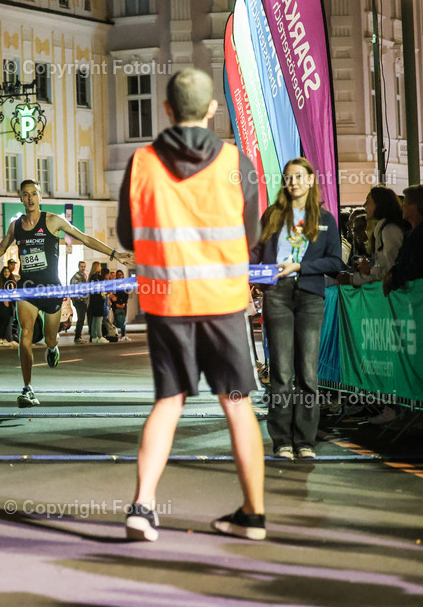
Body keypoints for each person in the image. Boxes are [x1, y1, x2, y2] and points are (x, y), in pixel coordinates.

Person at [116, 68, 264, 541]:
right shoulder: (237, 163)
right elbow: (254, 235)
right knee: (238, 404)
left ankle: (142, 507)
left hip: (167, 300)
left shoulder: (141, 162)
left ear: (166, 109)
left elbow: (125, 233)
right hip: (222, 301)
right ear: (212, 110)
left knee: (168, 401)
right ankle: (253, 515)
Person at [0, 179, 133, 407]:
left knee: (50, 337)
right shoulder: (16, 226)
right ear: (20, 199)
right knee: (26, 334)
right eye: (25, 194)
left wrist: (114, 254)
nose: (30, 198)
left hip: (51, 288)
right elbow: (1, 248)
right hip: (27, 288)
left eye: (34, 194)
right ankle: (28, 388)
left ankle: (53, 347)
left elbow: (84, 238)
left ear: (40, 197)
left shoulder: (52, 221)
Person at [254, 158, 342, 461]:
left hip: (309, 295)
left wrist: (302, 266)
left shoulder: (326, 219)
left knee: (307, 372)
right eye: (288, 178)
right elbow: (255, 250)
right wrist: (254, 274)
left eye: (298, 177)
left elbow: (335, 261)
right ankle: (282, 440)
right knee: (281, 372)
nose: (292, 182)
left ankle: (305, 440)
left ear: (310, 181)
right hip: (277, 293)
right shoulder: (273, 215)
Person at [337, 187, 407, 287]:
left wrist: (353, 279)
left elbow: (387, 269)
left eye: (368, 200)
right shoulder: (382, 230)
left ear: (380, 204)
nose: (364, 205)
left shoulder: (389, 230)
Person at [70, 261, 89, 343]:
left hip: (84, 300)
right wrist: (79, 299)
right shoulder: (76, 277)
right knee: (80, 319)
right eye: (81, 266)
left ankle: (78, 336)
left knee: (81, 319)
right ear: (78, 267)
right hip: (79, 301)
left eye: (84, 266)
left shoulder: (84, 276)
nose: (83, 268)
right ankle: (77, 337)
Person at [87, 263, 106, 343]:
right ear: (96, 267)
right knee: (98, 319)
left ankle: (94, 336)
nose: (100, 267)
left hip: (96, 300)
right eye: (99, 266)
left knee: (95, 319)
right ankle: (99, 335)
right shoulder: (93, 278)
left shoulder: (95, 277)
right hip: (96, 300)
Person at [111, 269, 130, 341]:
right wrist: (116, 304)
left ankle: (123, 334)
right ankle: (114, 334)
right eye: (118, 275)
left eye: (121, 274)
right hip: (115, 304)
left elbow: (126, 294)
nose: (119, 276)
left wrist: (124, 303)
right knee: (115, 319)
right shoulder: (114, 284)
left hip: (123, 304)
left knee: (123, 319)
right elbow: (114, 295)